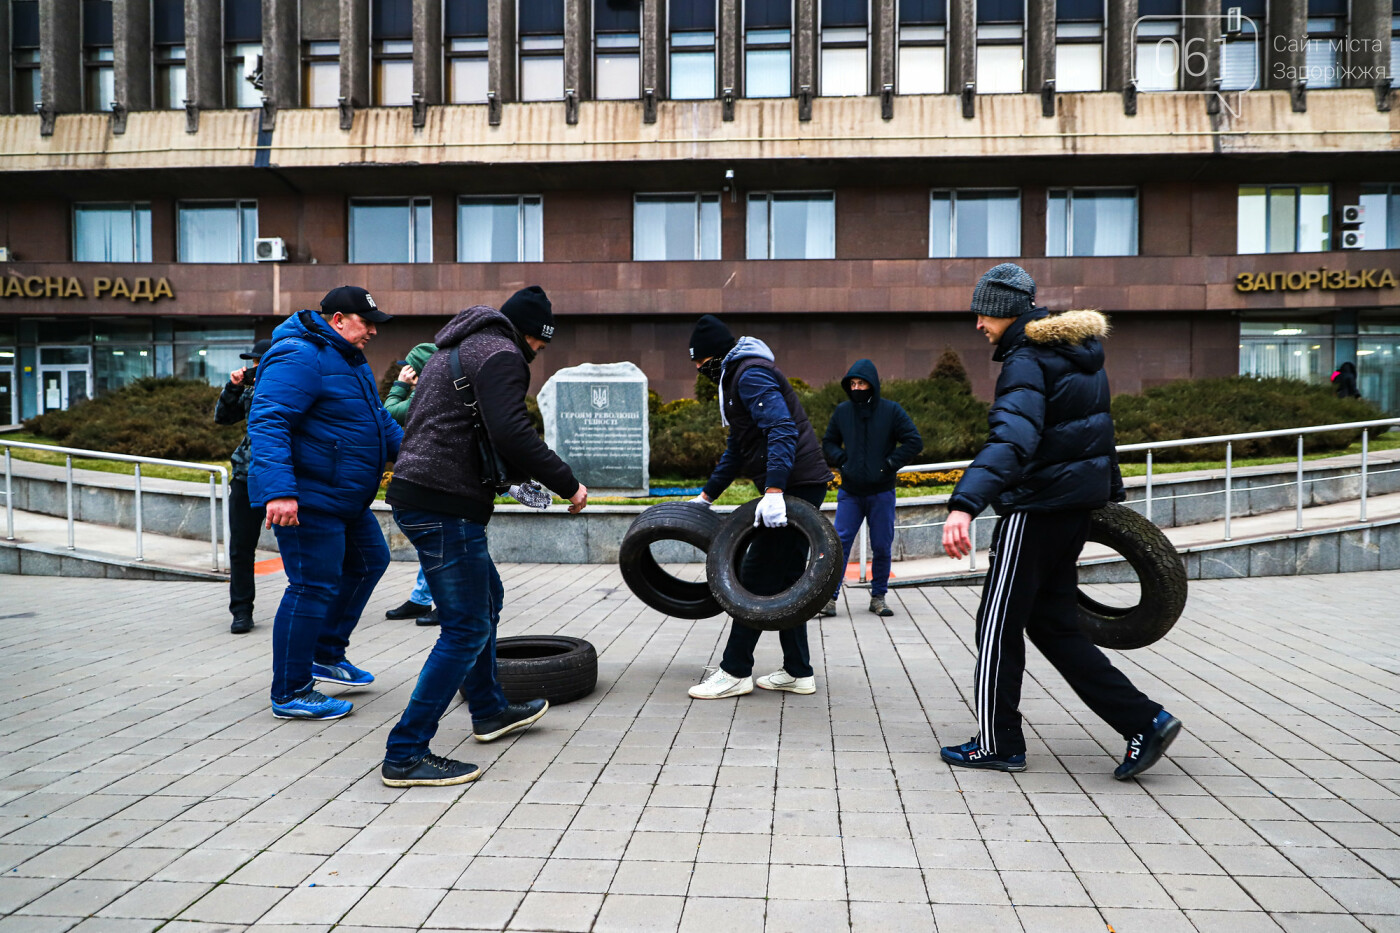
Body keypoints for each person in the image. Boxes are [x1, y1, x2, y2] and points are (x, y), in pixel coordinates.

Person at [938, 263, 1181, 780]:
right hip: (1070, 511)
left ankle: (997, 742)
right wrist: (1104, 496)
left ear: (1003, 310)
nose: (978, 324)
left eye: (982, 312)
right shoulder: (1079, 355)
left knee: (997, 628)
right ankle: (1145, 721)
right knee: (1053, 626)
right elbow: (1096, 434)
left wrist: (964, 503)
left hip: (1034, 511)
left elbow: (1012, 440)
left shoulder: (1027, 360)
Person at [381, 286, 588, 787]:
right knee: (467, 627)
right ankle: (405, 753)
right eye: (539, 345)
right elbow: (511, 431)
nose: (535, 355)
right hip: (443, 501)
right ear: (529, 334)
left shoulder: (452, 349)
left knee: (485, 598)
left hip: (422, 493)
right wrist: (567, 483)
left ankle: (490, 711)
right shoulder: (501, 353)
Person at [247, 285, 403, 721]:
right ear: (337, 319)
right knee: (311, 586)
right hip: (311, 495)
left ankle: (325, 654)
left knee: (371, 560)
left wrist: (420, 454)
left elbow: (379, 421)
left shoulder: (346, 359)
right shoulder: (300, 354)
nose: (373, 330)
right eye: (366, 322)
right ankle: (291, 690)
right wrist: (279, 491)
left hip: (345, 496)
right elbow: (268, 418)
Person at [685, 315, 835, 700]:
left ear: (716, 356)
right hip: (798, 482)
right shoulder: (736, 379)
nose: (700, 371)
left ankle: (735, 670)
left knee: (754, 576)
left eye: (701, 363)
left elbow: (782, 429)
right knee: (785, 579)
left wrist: (774, 491)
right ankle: (798, 671)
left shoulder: (748, 375)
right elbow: (739, 447)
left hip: (795, 485)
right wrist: (707, 496)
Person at [820, 359, 922, 618]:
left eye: (861, 383)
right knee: (840, 544)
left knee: (881, 545)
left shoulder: (891, 411)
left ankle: (879, 597)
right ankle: (829, 599)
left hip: (881, 492)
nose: (856, 388)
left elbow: (913, 441)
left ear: (872, 385)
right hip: (850, 493)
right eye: (852, 384)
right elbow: (829, 442)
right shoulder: (843, 412)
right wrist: (843, 461)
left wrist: (889, 465)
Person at [215, 337, 271, 635]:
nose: (253, 367)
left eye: (259, 362)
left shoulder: (288, 386)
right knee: (240, 547)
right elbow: (222, 418)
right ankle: (241, 611)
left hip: (281, 479)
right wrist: (233, 387)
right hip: (246, 475)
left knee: (300, 546)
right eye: (253, 363)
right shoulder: (247, 386)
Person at [382, 342, 441, 627]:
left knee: (443, 543)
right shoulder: (432, 391)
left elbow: (388, 413)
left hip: (440, 481)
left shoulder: (427, 395)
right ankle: (421, 598)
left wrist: (401, 384)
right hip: (433, 479)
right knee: (433, 542)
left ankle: (449, 602)